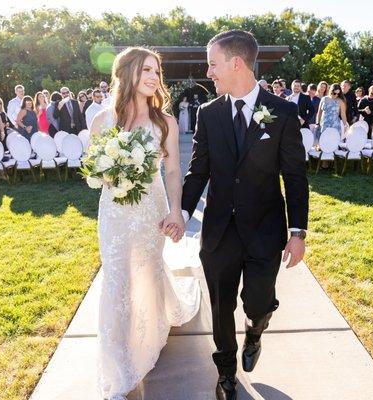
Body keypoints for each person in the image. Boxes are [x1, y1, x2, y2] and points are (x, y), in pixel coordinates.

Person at [175, 29, 308, 400]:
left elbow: (295, 176)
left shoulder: (282, 112)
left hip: (265, 229)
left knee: (258, 301)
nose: (209, 71)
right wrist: (182, 212)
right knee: (221, 305)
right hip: (218, 230)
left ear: (236, 63)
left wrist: (297, 233)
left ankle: (256, 328)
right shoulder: (208, 113)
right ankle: (226, 373)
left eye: (213, 63)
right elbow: (197, 170)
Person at [88, 46, 200, 399]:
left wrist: (176, 211)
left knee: (147, 274)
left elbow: (172, 172)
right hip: (115, 213)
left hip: (151, 212)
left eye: (157, 72)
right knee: (117, 280)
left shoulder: (164, 122)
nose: (154, 77)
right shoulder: (101, 121)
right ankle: (118, 366)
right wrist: (112, 171)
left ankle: (152, 330)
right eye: (147, 70)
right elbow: (93, 168)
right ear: (128, 73)